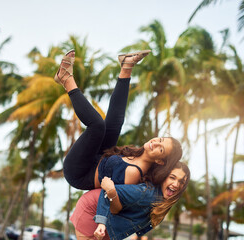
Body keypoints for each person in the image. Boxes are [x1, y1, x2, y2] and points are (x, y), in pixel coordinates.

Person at [54, 49, 183, 190]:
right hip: (98, 158)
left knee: (97, 126)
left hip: (79, 171)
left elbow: (108, 191)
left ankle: (66, 78)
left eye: (161, 149)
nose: (155, 143)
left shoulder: (134, 173)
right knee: (115, 123)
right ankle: (126, 67)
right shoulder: (138, 153)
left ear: (159, 161)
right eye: (160, 140)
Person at [70, 161, 190, 240]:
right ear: (164, 177)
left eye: (181, 182)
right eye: (172, 178)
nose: (176, 184)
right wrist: (101, 222)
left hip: (105, 219)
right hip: (93, 209)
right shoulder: (147, 194)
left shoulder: (163, 202)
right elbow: (107, 190)